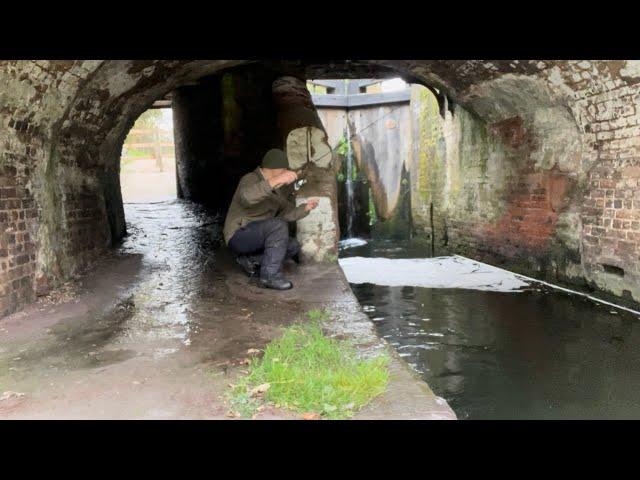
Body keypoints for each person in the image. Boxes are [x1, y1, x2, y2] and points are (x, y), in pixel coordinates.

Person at [223, 149, 319, 290]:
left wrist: (305, 209)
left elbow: (283, 217)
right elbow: (248, 197)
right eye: (283, 169)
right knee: (277, 226)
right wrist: (278, 180)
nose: (285, 172)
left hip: (259, 234)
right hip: (239, 235)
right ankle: (269, 277)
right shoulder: (250, 179)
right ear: (274, 168)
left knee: (292, 245)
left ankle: (250, 261)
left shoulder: (277, 190)